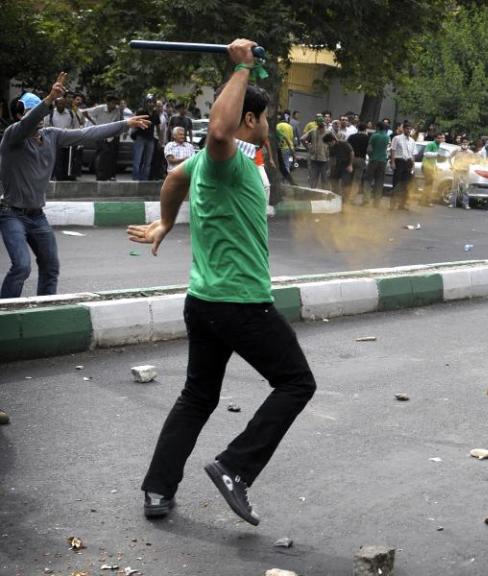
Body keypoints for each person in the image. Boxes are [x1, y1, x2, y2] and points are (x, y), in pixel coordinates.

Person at [127, 39, 317, 525]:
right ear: (250, 120)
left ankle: (157, 489)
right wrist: (242, 68)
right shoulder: (224, 157)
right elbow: (216, 131)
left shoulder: (229, 163)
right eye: (266, 118)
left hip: (205, 302)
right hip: (240, 304)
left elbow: (173, 179)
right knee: (296, 382)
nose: (271, 125)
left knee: (198, 395)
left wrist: (167, 221)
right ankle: (235, 466)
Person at [1, 76, 149, 299]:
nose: (39, 119)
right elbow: (27, 125)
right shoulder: (13, 137)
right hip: (11, 214)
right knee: (22, 266)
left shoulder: (51, 135)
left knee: (51, 266)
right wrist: (50, 98)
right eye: (30, 112)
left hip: (37, 215)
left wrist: (124, 124)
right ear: (20, 114)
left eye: (39, 111)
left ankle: (46, 308)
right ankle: (6, 312)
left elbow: (87, 133)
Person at [82, 94, 124, 180]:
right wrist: (93, 122)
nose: (113, 106)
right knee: (103, 153)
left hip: (111, 135)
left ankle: (108, 175)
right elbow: (84, 112)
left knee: (110, 156)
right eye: (112, 103)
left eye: (115, 104)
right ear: (108, 103)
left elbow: (118, 122)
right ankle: (100, 175)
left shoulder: (117, 111)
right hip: (100, 133)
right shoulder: (100, 108)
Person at [390, 121, 416, 210]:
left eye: (410, 129)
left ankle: (402, 204)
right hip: (399, 161)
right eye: (407, 129)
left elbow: (413, 154)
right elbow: (393, 150)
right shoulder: (397, 138)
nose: (409, 130)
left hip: (408, 162)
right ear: (404, 129)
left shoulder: (412, 141)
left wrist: (413, 165)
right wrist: (392, 162)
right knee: (396, 183)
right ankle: (392, 204)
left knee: (406, 184)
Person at [366, 121, 390, 207]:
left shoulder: (374, 136)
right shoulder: (387, 137)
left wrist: (371, 156)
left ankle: (366, 199)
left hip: (374, 160)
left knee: (368, 180)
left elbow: (369, 149)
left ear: (378, 127)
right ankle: (377, 202)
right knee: (379, 182)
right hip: (383, 161)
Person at [301, 122, 329, 189]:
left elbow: (302, 139)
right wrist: (308, 148)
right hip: (320, 158)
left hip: (318, 158)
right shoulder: (327, 132)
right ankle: (319, 194)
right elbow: (302, 139)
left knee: (316, 178)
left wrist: (308, 148)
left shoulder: (314, 131)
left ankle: (314, 193)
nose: (321, 129)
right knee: (322, 178)